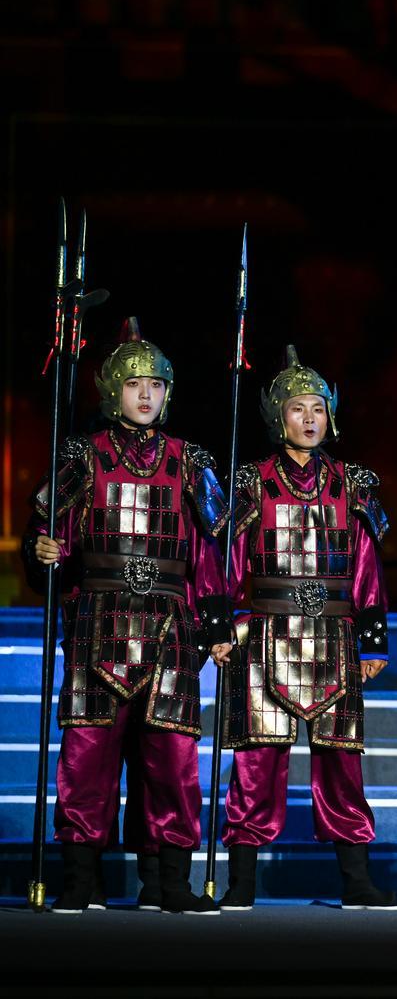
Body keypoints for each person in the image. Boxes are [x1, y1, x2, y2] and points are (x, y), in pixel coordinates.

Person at [22, 318, 232, 914]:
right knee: (87, 752)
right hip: (100, 619)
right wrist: (42, 551)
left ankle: (168, 882)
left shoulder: (190, 460)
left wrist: (216, 624)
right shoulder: (81, 455)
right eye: (135, 384)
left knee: (171, 757)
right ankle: (80, 878)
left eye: (156, 385)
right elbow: (48, 530)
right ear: (113, 390)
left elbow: (207, 550)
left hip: (170, 623)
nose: (146, 395)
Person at [211, 347, 397, 911]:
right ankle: (242, 880)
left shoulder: (352, 483)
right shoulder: (251, 483)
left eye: (318, 407)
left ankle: (356, 880)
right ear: (279, 416)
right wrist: (223, 625)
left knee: (342, 761)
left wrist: (373, 637)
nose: (310, 418)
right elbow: (227, 561)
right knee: (256, 762)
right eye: (298, 408)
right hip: (265, 636)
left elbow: (366, 565)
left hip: (335, 638)